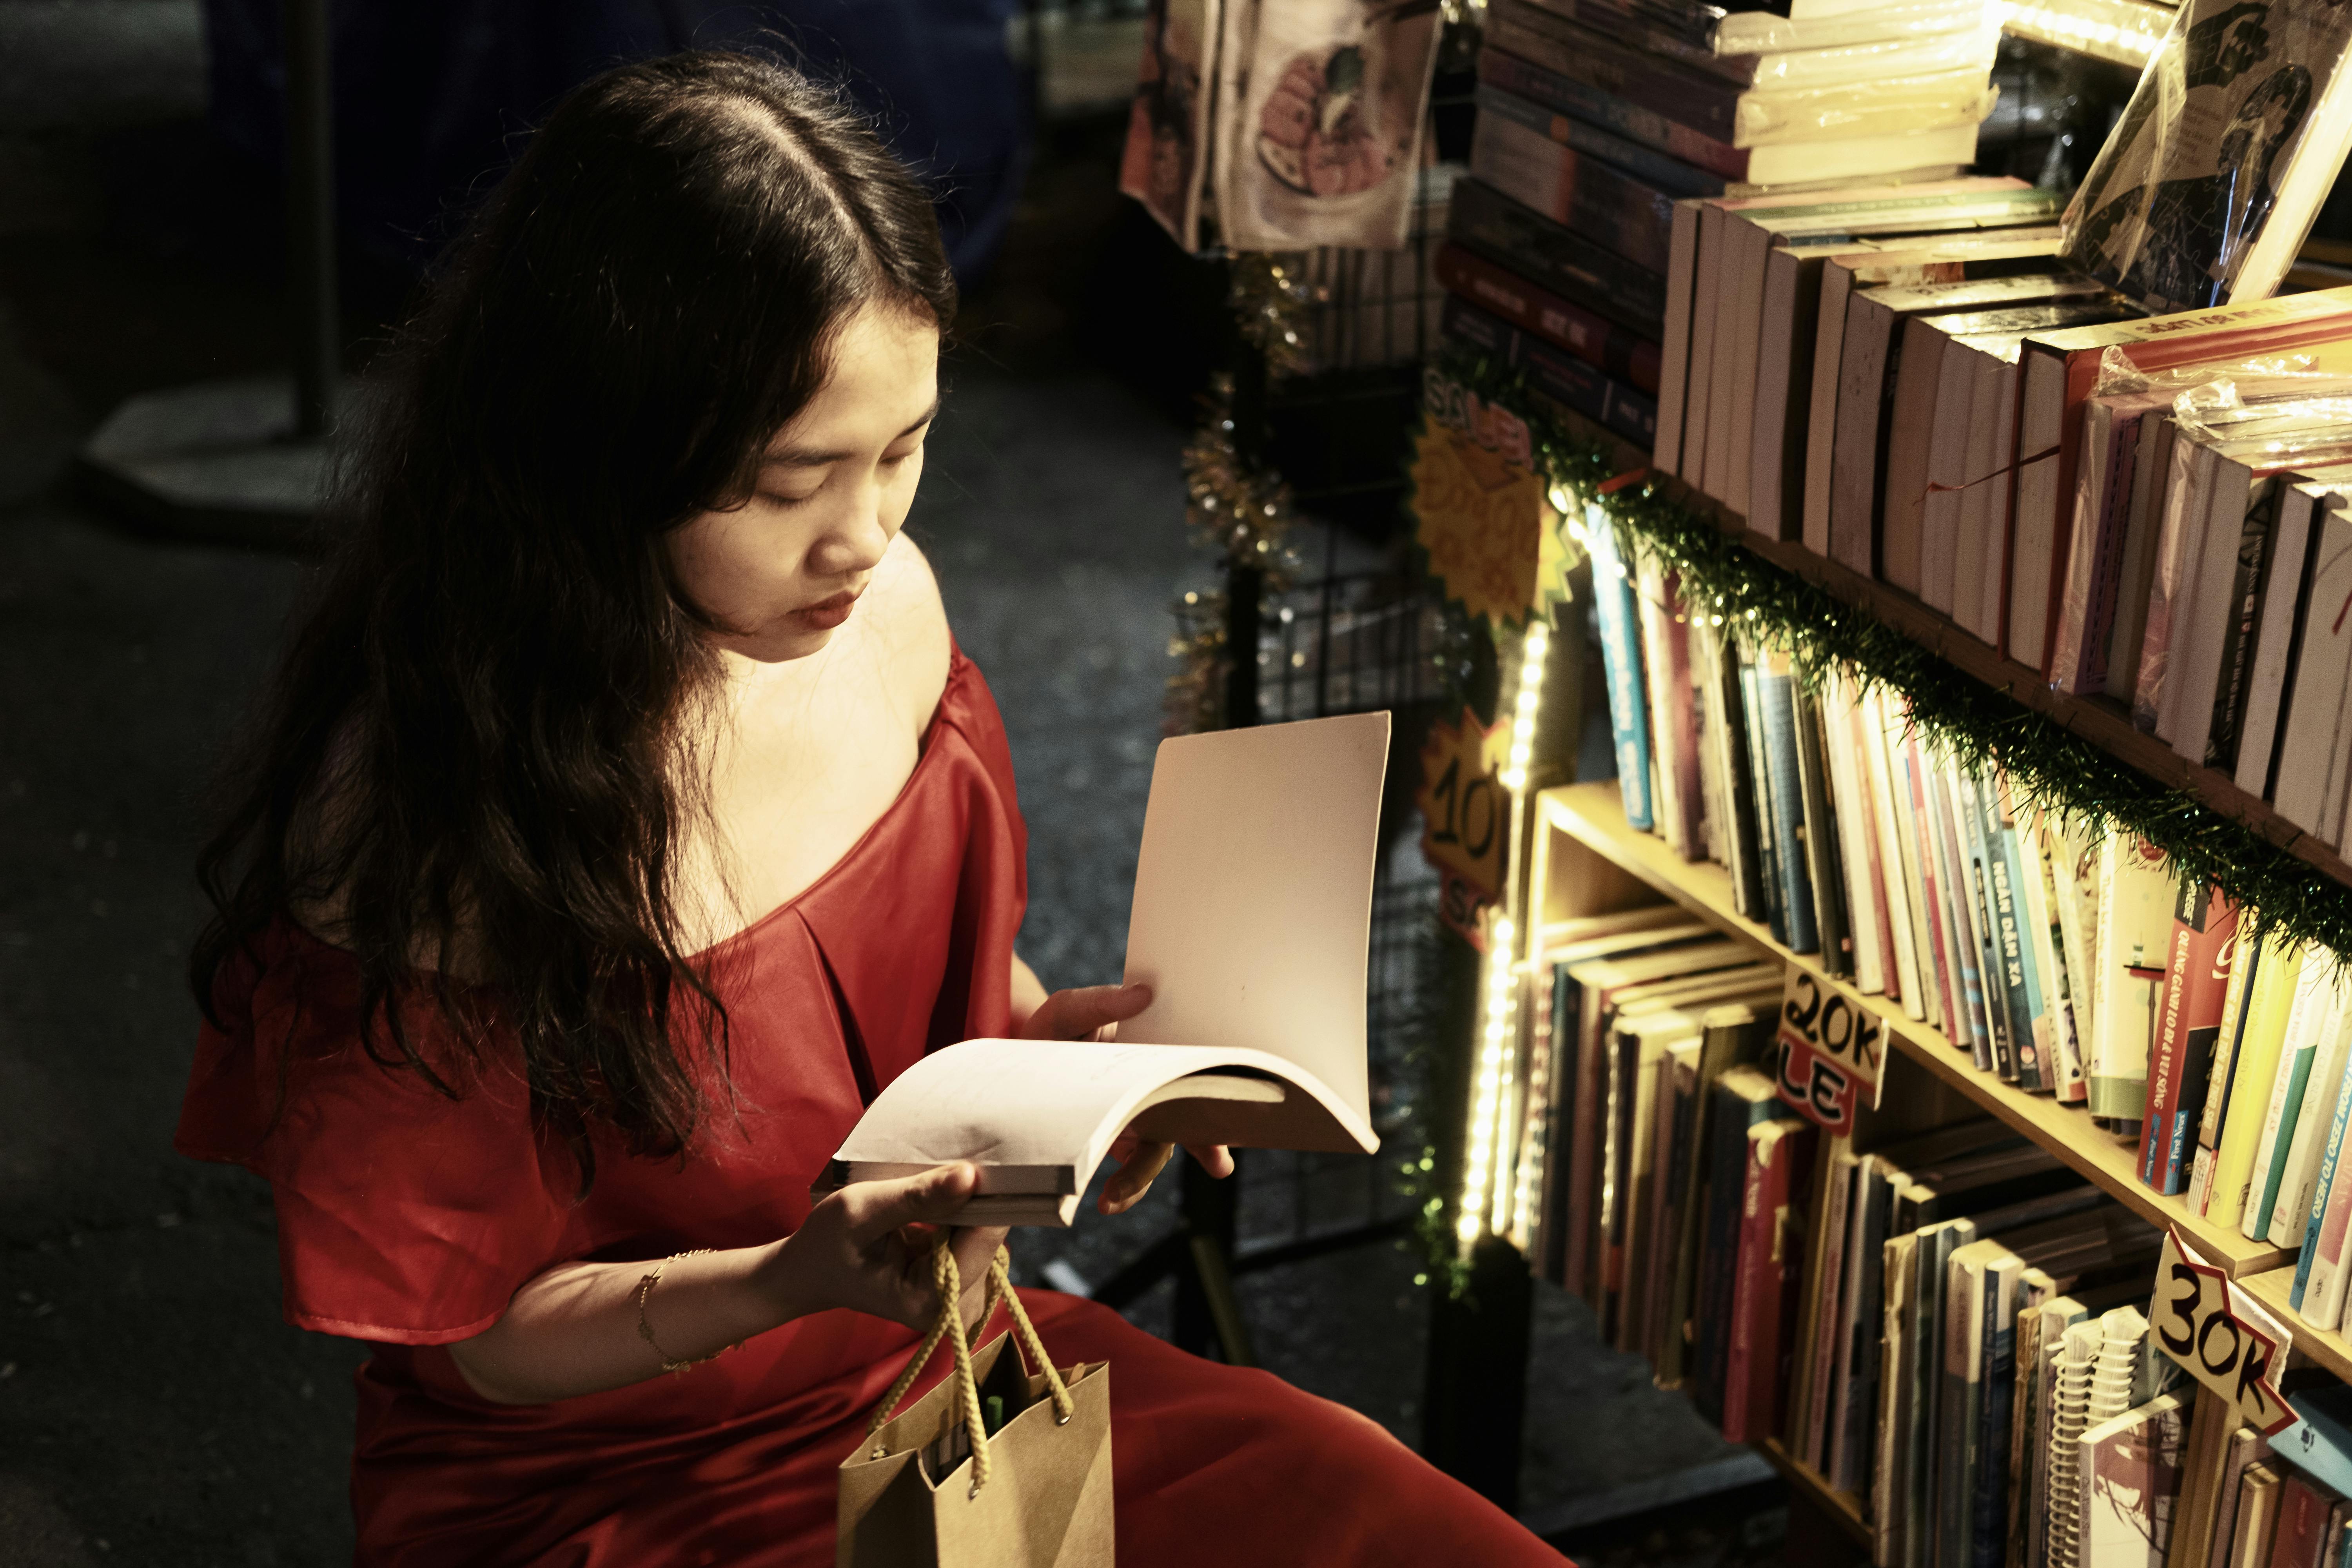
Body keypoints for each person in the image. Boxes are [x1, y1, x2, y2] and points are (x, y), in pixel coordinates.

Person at [176, 50, 1561, 1566]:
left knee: (1381, 1512)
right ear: (599, 460)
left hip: (943, 1384)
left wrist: (1062, 1063)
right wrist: (788, 1278)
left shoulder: (892, 614)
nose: (865, 535)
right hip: (607, 1471)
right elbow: (481, 1344)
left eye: (905, 450)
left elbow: (911, 997)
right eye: (791, 482)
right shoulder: (426, 807)